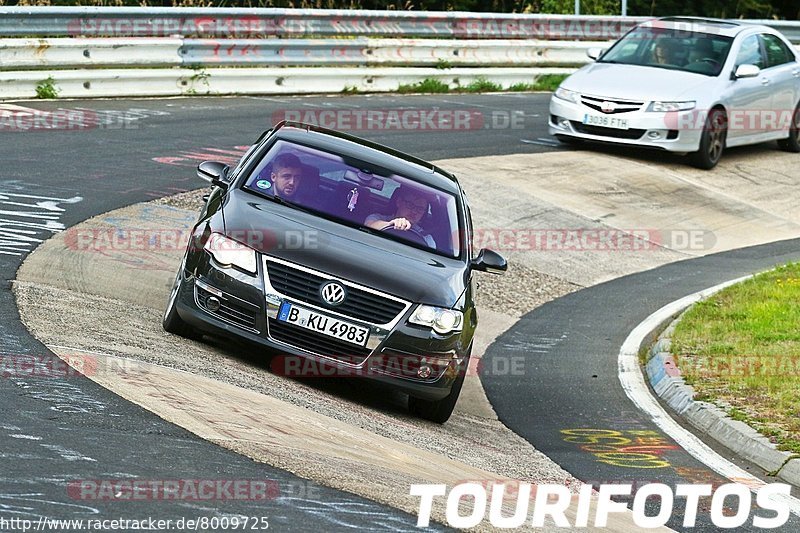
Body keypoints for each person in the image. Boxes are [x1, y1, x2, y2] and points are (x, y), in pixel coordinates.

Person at [365, 187, 436, 248]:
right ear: (399, 202)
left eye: (420, 209)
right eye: (410, 205)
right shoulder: (377, 217)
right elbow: (369, 225)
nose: (414, 211)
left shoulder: (426, 238)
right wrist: (391, 224)